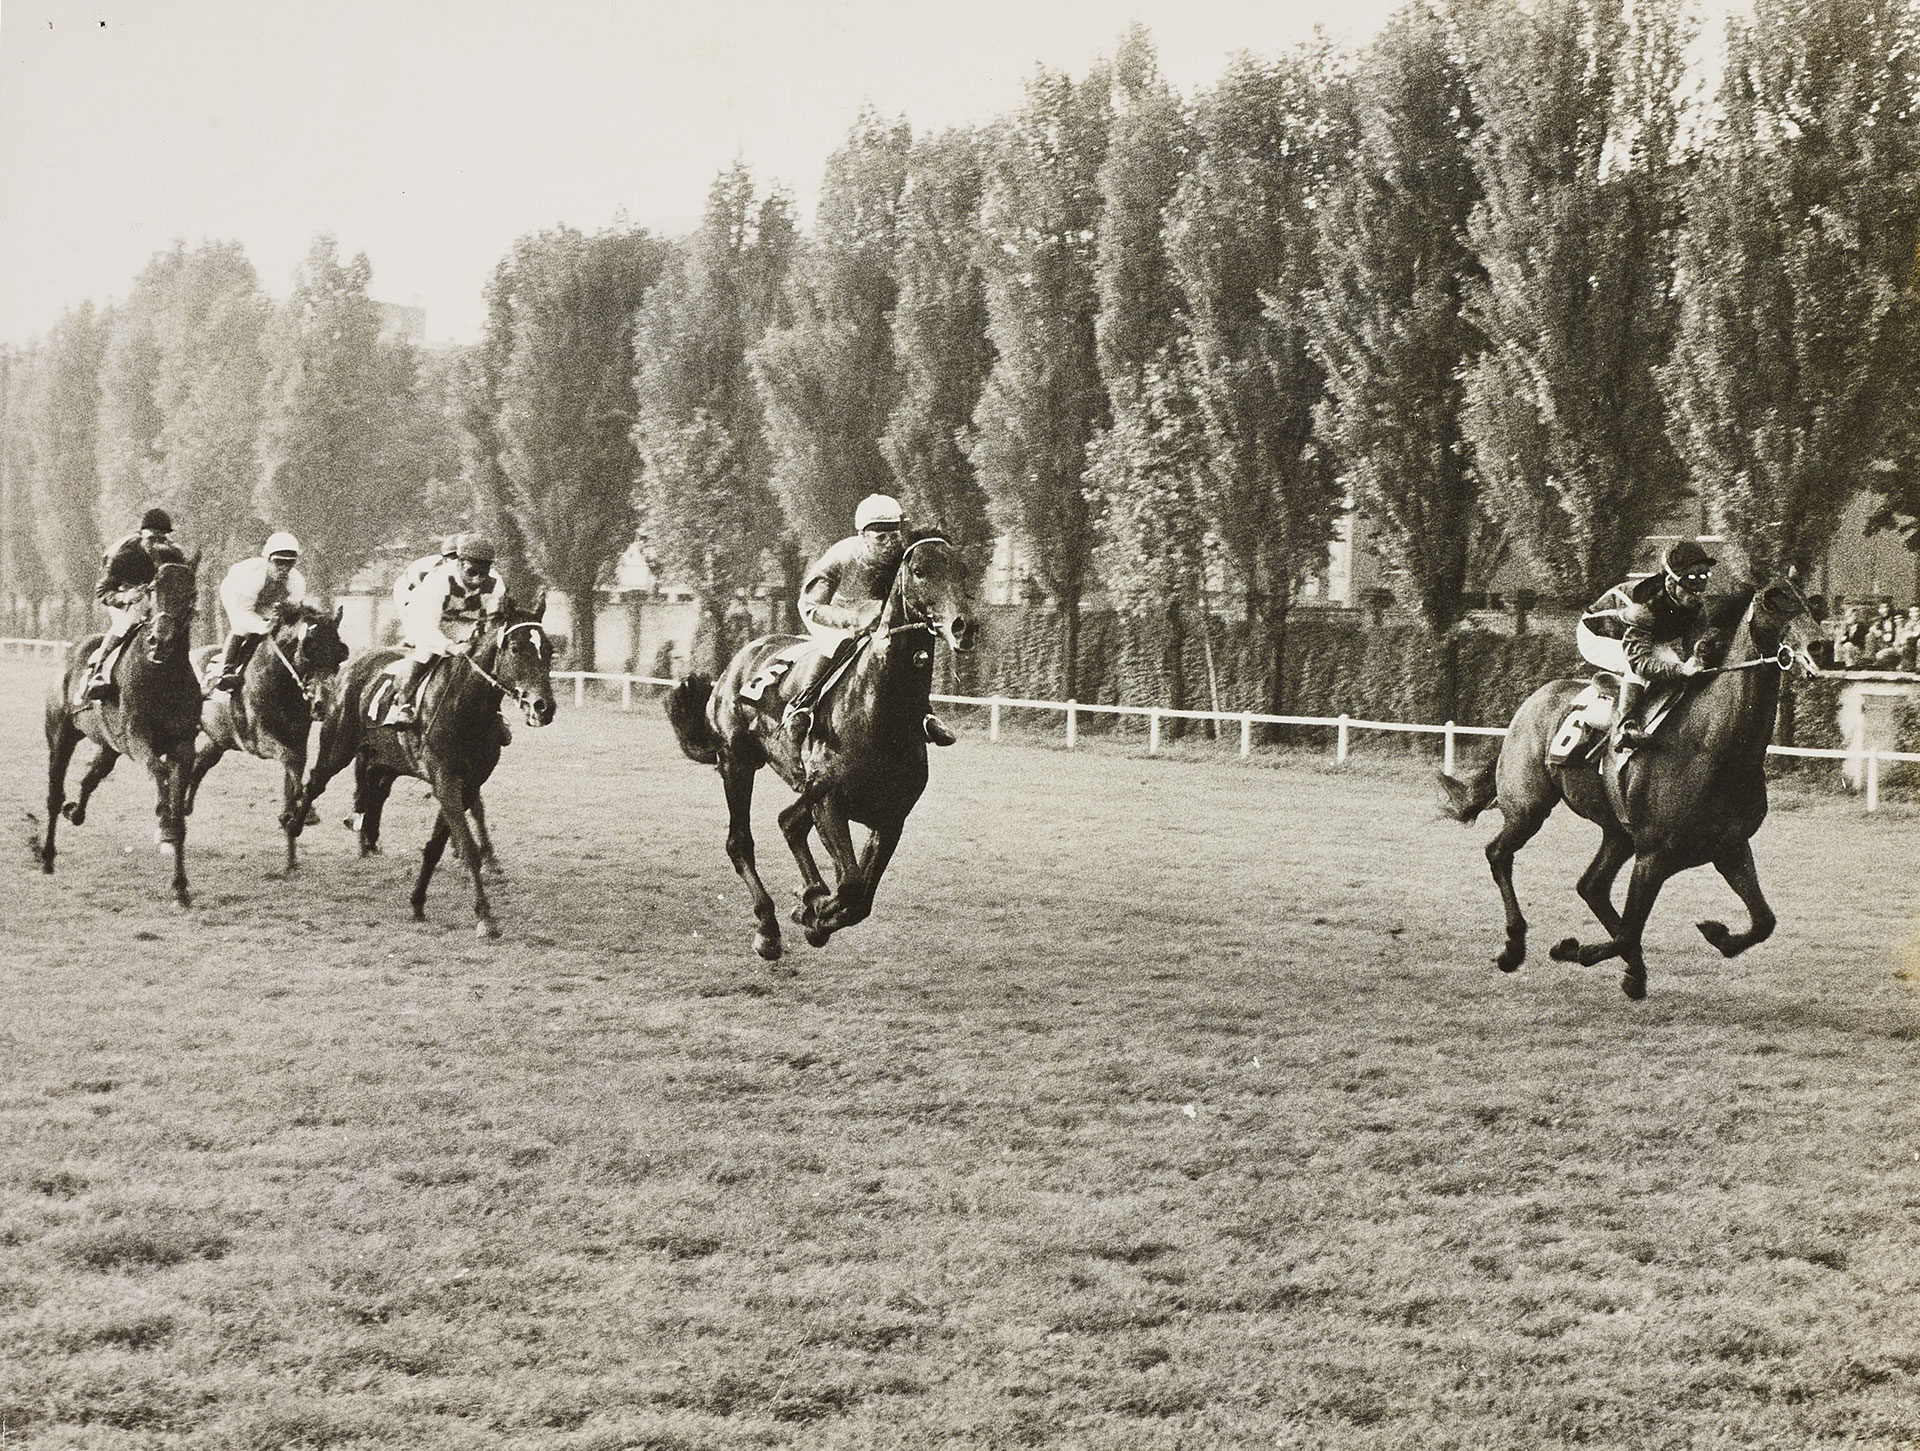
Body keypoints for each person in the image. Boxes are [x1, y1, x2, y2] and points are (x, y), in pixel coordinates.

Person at [782, 493, 955, 747]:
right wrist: (853, 618)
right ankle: (802, 707)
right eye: (880, 538)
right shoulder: (841, 556)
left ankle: (924, 713)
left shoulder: (904, 556)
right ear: (863, 536)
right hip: (831, 614)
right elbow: (811, 605)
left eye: (894, 536)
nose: (889, 544)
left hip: (879, 617)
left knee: (911, 648)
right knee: (840, 642)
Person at [1575, 539, 1719, 749]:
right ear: (1670, 582)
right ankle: (1626, 727)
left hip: (1646, 636)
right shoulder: (1643, 607)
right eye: (1691, 579)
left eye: (1704, 575)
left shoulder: (1693, 603)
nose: (1699, 588)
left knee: (1672, 663)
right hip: (1597, 635)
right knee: (1643, 667)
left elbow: (1694, 651)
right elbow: (1639, 662)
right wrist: (1680, 669)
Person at [389, 533, 503, 726]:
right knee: (426, 650)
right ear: (460, 564)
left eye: (482, 574)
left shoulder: (495, 584)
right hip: (418, 606)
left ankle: (494, 712)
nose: (476, 580)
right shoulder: (438, 580)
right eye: (471, 572)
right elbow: (426, 624)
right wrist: (449, 647)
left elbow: (492, 620)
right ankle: (403, 703)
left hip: (460, 615)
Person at [79, 507, 183, 703]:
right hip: (123, 600)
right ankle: (97, 672)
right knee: (128, 621)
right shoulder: (125, 555)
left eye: (162, 539)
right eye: (152, 538)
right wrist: (126, 596)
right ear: (142, 534)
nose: (156, 545)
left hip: (155, 601)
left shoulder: (173, 554)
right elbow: (103, 592)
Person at [208, 532, 308, 693]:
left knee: (273, 626)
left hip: (265, 598)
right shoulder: (251, 577)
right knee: (242, 629)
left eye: (289, 564)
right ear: (268, 560)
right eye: (279, 562)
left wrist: (286, 610)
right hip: (236, 595)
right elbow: (243, 614)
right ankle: (226, 670)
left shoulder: (297, 581)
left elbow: (295, 608)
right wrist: (263, 625)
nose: (284, 569)